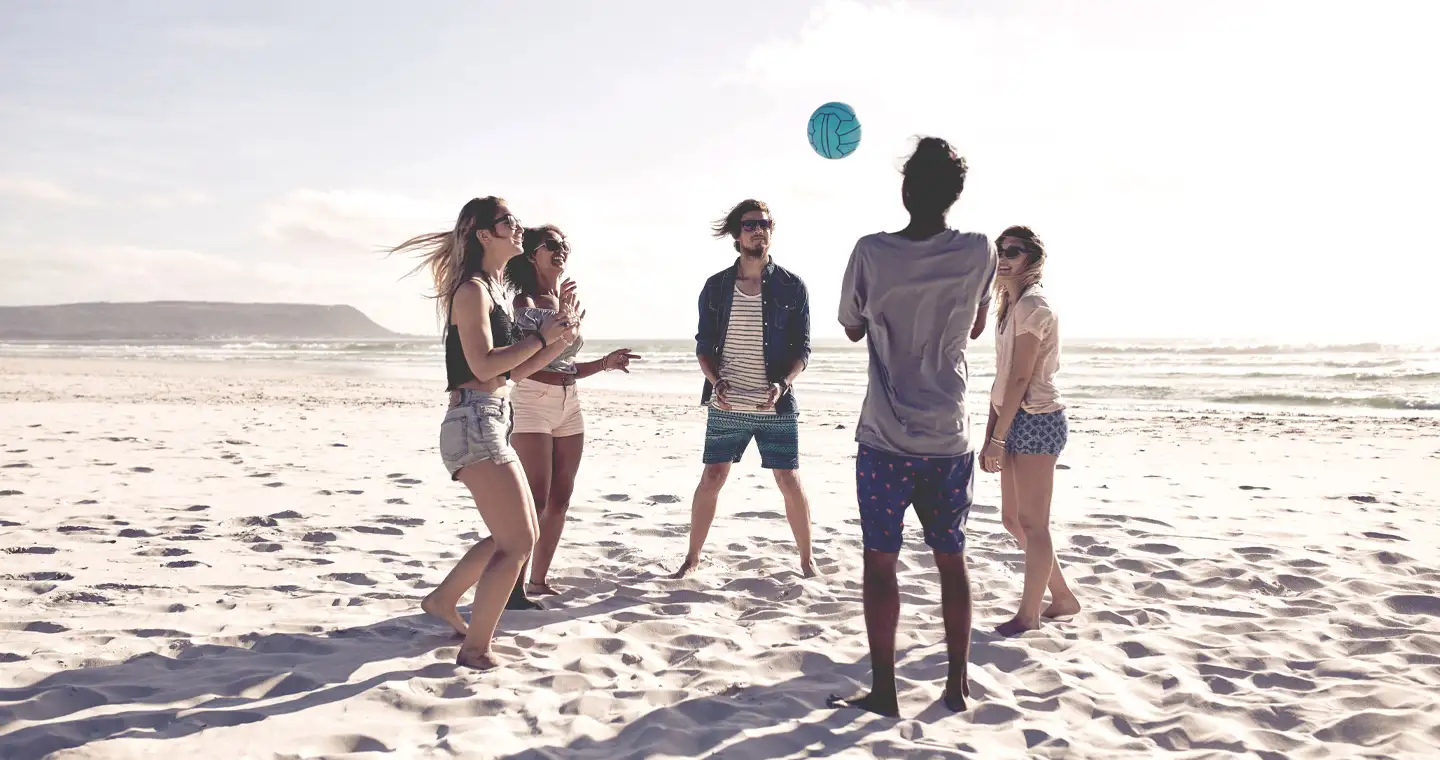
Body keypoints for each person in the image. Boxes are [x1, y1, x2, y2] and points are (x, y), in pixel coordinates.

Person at [828, 137, 996, 717]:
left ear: (905, 190)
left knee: (881, 560)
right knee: (952, 558)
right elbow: (976, 328)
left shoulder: (871, 253)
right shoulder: (980, 251)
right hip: (949, 436)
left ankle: (884, 690)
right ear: (955, 195)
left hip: (886, 435)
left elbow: (851, 327)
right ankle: (956, 685)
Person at [389, 196, 579, 670]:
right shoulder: (472, 291)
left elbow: (512, 374)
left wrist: (558, 339)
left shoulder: (492, 289)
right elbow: (481, 366)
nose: (519, 227)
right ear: (483, 235)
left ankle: (443, 600)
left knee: (514, 534)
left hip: (492, 414)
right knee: (518, 541)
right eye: (508, 221)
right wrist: (539, 338)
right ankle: (475, 648)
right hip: (473, 421)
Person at [675, 199, 815, 579]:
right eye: (751, 224)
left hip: (776, 404)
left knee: (788, 478)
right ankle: (692, 558)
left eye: (765, 223)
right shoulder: (716, 287)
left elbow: (803, 350)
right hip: (727, 403)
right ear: (737, 234)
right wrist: (715, 381)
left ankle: (807, 561)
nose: (759, 230)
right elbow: (704, 347)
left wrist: (781, 385)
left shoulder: (792, 286)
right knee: (713, 477)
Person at [504, 224, 639, 605]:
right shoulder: (524, 302)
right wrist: (562, 317)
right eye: (551, 245)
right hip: (531, 401)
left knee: (561, 498)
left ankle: (538, 580)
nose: (560, 249)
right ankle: (512, 586)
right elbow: (532, 358)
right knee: (537, 499)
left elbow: (566, 365)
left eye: (564, 244)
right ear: (533, 255)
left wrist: (605, 363)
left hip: (570, 404)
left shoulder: (563, 302)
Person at [980, 226, 1081, 636]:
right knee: (1012, 519)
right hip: (1012, 417)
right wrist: (990, 433)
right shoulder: (1011, 305)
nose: (1003, 257)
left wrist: (998, 438)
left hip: (1037, 419)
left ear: (1032, 259)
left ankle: (1030, 614)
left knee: (1034, 522)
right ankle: (1062, 597)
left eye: (1013, 251)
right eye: (999, 250)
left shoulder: (1033, 305)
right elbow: (1002, 378)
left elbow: (1021, 378)